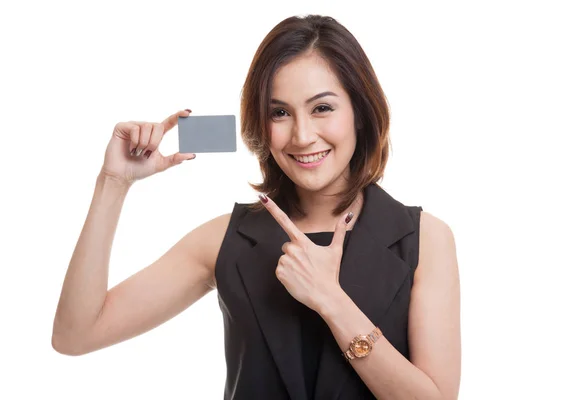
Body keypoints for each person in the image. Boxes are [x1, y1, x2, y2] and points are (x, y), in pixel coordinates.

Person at [52, 14, 461, 400]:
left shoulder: (425, 239)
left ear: (359, 112)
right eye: (279, 112)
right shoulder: (224, 239)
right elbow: (76, 334)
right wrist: (113, 184)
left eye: (322, 107)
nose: (302, 136)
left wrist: (331, 301)